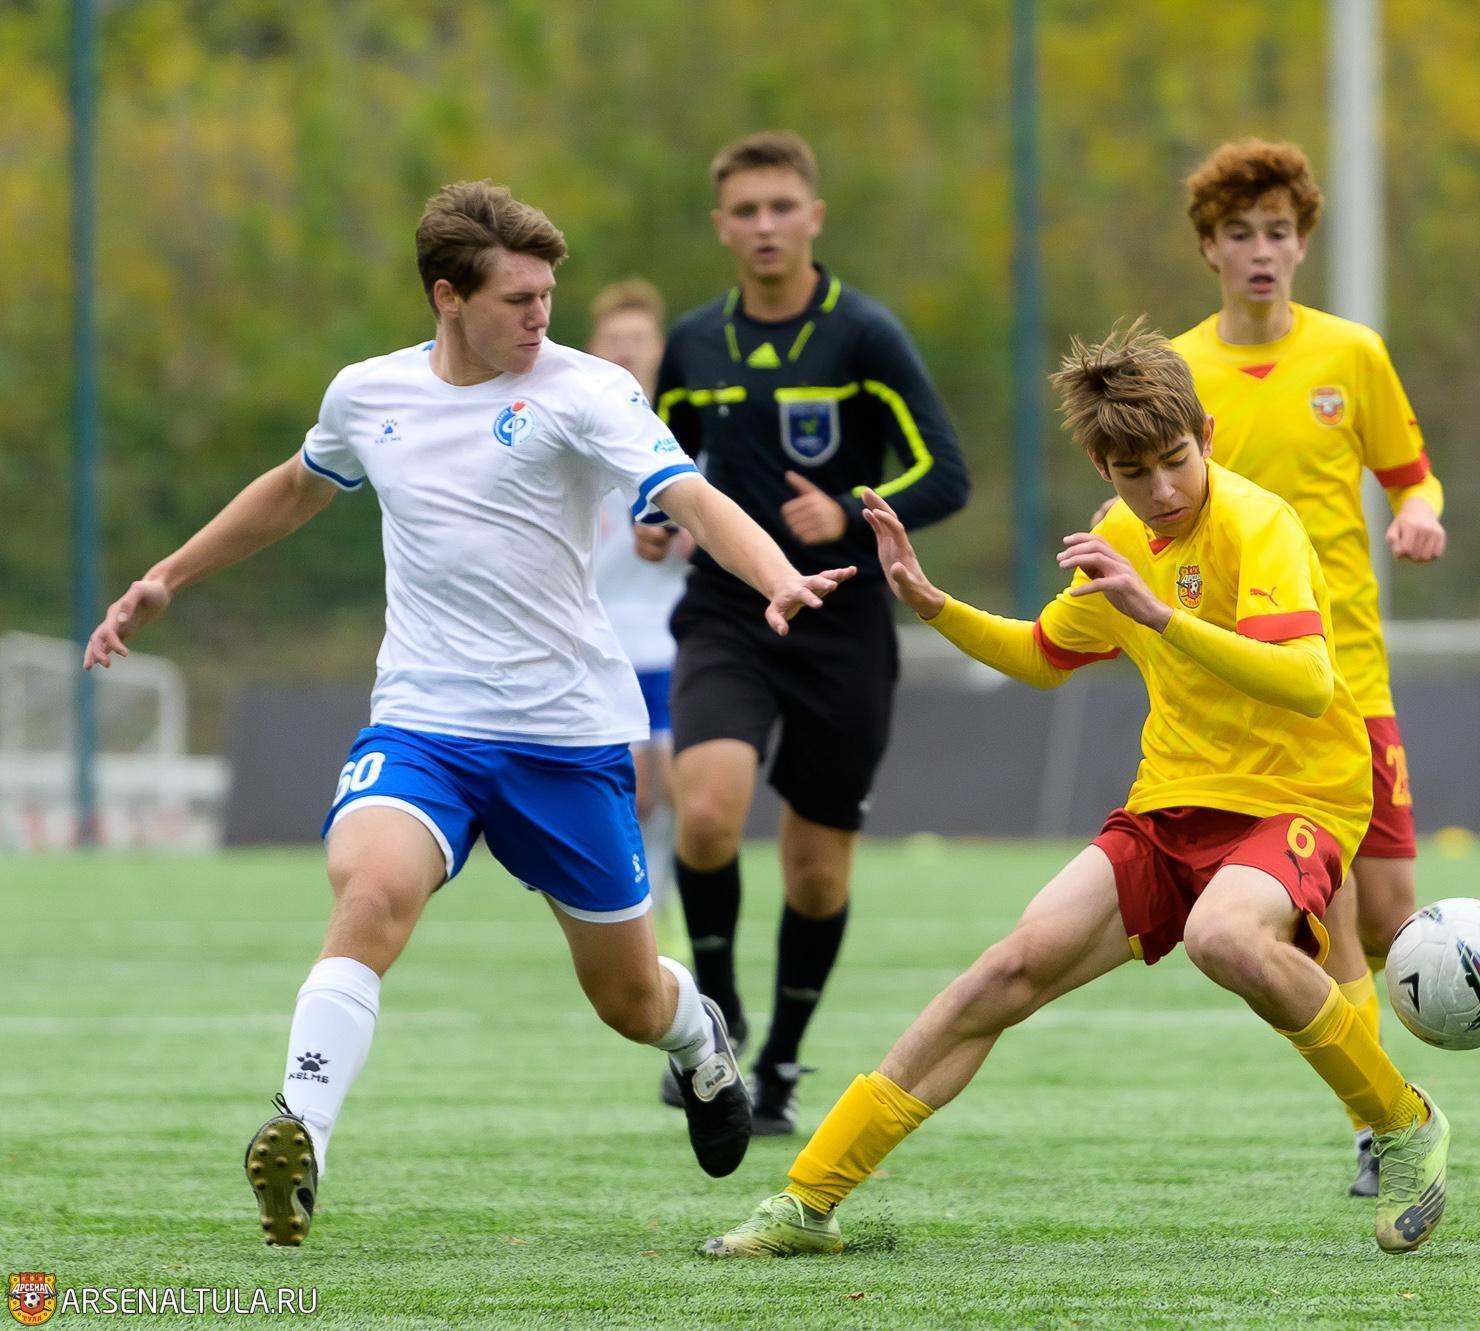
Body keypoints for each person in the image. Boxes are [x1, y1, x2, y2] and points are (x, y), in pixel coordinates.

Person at [82, 181, 857, 1246]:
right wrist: (167, 575)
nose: (542, 316)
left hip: (565, 737)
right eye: (517, 300)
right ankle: (300, 1131)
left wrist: (775, 574)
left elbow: (691, 497)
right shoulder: (368, 393)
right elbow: (298, 485)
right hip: (424, 724)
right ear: (448, 296)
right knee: (369, 889)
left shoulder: (587, 391)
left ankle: (696, 1035)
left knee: (628, 999)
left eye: (547, 296)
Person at [701, 323, 1449, 1260]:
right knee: (1009, 969)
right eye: (1134, 472)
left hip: (1299, 796)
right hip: (1173, 800)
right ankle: (810, 1198)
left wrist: (1159, 615)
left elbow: (1305, 682)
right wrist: (932, 603)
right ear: (1103, 466)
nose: (1162, 489)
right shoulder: (1120, 536)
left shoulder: (1259, 522)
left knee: (1224, 936)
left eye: (1175, 461)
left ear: (1207, 435)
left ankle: (1403, 1121)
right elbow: (1044, 656)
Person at [655, 130, 970, 1134]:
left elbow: (946, 471)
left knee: (817, 871)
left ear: (813, 217)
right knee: (706, 812)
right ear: (721, 225)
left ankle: (782, 1063)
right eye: (746, 210)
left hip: (842, 625)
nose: (765, 226)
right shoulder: (693, 344)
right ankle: (713, 1012)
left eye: (781, 206)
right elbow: (659, 461)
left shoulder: (863, 335)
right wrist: (653, 517)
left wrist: (848, 508)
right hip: (728, 611)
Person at [1170, 139, 1449, 1197]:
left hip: (1352, 675)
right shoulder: (1178, 371)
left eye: (1277, 232)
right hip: (1251, 688)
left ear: (1301, 243)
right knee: (1320, 918)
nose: (1260, 250)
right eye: (1238, 233)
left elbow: (1413, 477)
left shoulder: (1350, 354)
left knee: (1385, 914)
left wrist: (1418, 515)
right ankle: (1378, 1119)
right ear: (1208, 247)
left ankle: (1375, 1088)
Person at [585, 279, 694, 935]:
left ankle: (671, 902)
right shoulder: (578, 429)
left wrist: (692, 536)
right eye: (613, 339)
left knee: (680, 783)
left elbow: (716, 522)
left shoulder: (685, 434)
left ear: (659, 348)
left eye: (638, 338)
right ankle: (632, 906)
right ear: (594, 347)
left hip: (676, 635)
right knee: (632, 786)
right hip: (606, 636)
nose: (626, 349)